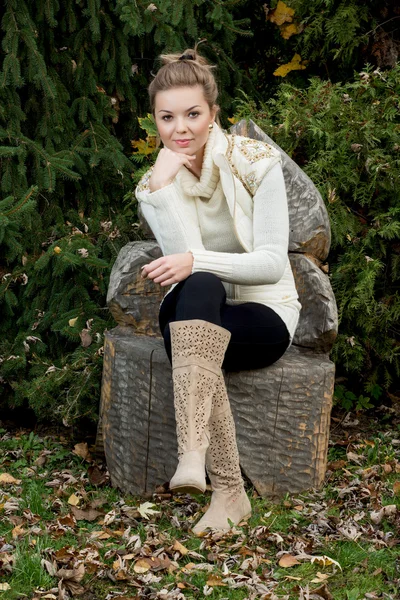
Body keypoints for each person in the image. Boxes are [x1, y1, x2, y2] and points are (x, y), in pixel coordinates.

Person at [135, 47, 301, 535]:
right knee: (198, 294)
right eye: (167, 118)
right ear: (156, 121)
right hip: (200, 310)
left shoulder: (256, 162)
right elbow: (185, 269)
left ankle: (213, 474)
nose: (179, 128)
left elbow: (271, 263)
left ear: (213, 114)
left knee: (197, 293)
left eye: (192, 114)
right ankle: (209, 474)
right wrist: (161, 193)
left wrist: (195, 261)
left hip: (263, 315)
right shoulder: (157, 180)